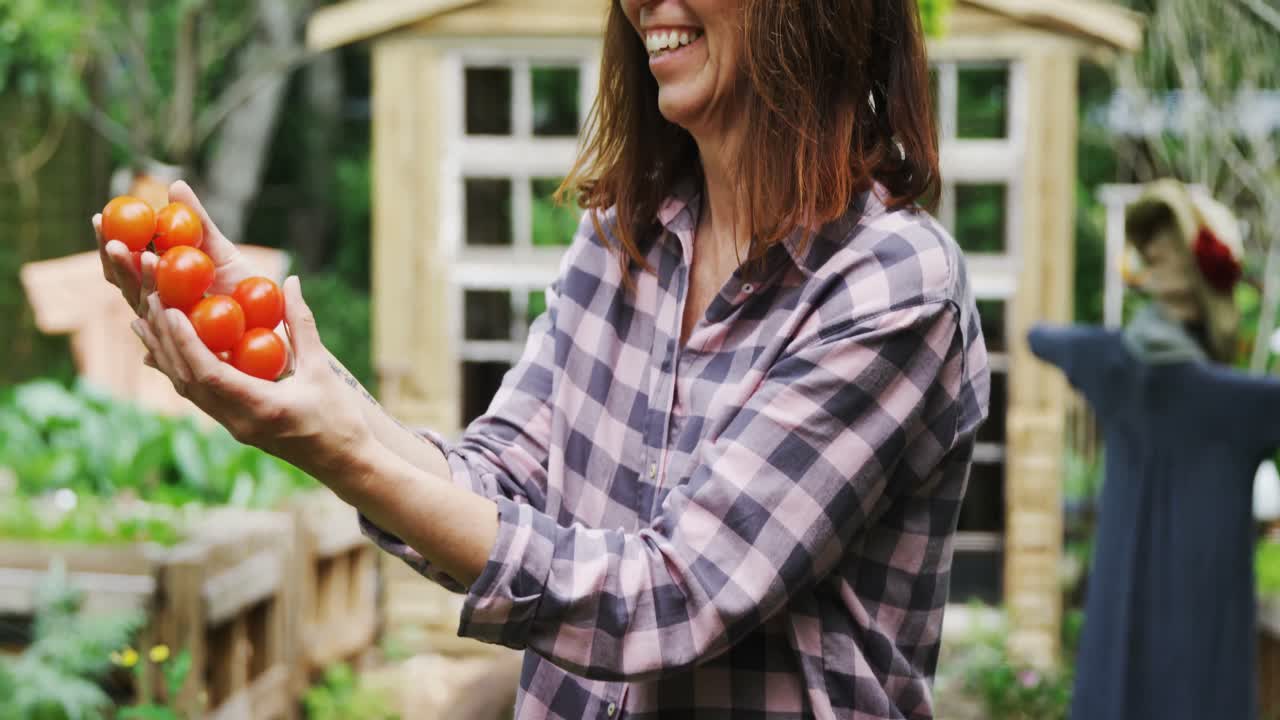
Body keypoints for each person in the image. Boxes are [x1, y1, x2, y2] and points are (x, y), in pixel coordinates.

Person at [96, 1, 989, 717]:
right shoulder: (621, 243)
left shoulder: (888, 288)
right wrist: (325, 394)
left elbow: (673, 600)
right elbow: (497, 486)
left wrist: (341, 450)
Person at [1029, 180, 1280, 720]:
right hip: (1203, 674)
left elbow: (1038, 337)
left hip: (1115, 665)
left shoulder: (1110, 364)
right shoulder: (1244, 405)